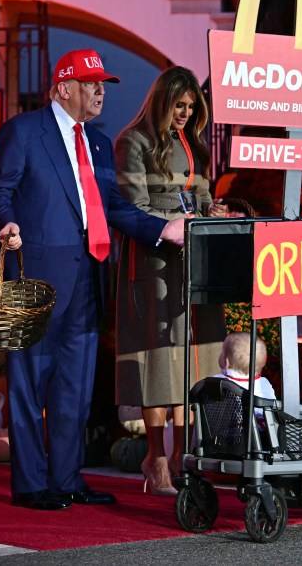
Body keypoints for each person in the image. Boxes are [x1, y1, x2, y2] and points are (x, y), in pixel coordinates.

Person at [0, 48, 185, 511]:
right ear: (62, 88)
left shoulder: (96, 142)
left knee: (75, 383)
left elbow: (113, 207)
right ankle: (32, 485)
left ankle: (68, 479)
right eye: (90, 82)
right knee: (31, 381)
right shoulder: (24, 131)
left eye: (103, 84)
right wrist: (6, 222)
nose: (99, 91)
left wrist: (162, 229)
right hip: (35, 276)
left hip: (89, 277)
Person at [113, 65, 227, 497]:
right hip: (153, 263)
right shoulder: (133, 141)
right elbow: (132, 208)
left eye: (190, 107)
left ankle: (184, 453)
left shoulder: (193, 144)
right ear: (162, 100)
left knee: (191, 357)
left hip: (192, 262)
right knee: (157, 359)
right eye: (178, 106)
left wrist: (212, 212)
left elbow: (201, 196)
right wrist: (175, 223)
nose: (184, 114)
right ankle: (155, 455)